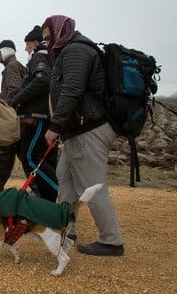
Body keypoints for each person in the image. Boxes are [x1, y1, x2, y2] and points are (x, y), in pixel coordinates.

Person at [43, 15, 124, 256]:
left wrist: (55, 126)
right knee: (64, 177)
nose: (47, 43)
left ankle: (111, 241)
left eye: (49, 37)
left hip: (88, 130)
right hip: (75, 130)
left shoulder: (76, 50)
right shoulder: (69, 51)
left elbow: (72, 89)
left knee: (92, 186)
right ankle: (65, 226)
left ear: (61, 31)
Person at [10, 26, 58, 202]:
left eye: (27, 44)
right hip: (44, 116)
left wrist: (18, 99)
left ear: (36, 43)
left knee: (30, 157)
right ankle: (49, 199)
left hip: (38, 117)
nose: (25, 49)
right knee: (46, 160)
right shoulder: (50, 58)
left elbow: (43, 81)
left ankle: (59, 192)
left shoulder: (39, 56)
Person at [0, 40, 24, 193]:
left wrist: (4, 108)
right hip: (18, 117)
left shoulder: (11, 66)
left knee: (6, 153)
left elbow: (14, 90)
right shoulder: (15, 66)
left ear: (6, 51)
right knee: (14, 154)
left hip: (11, 119)